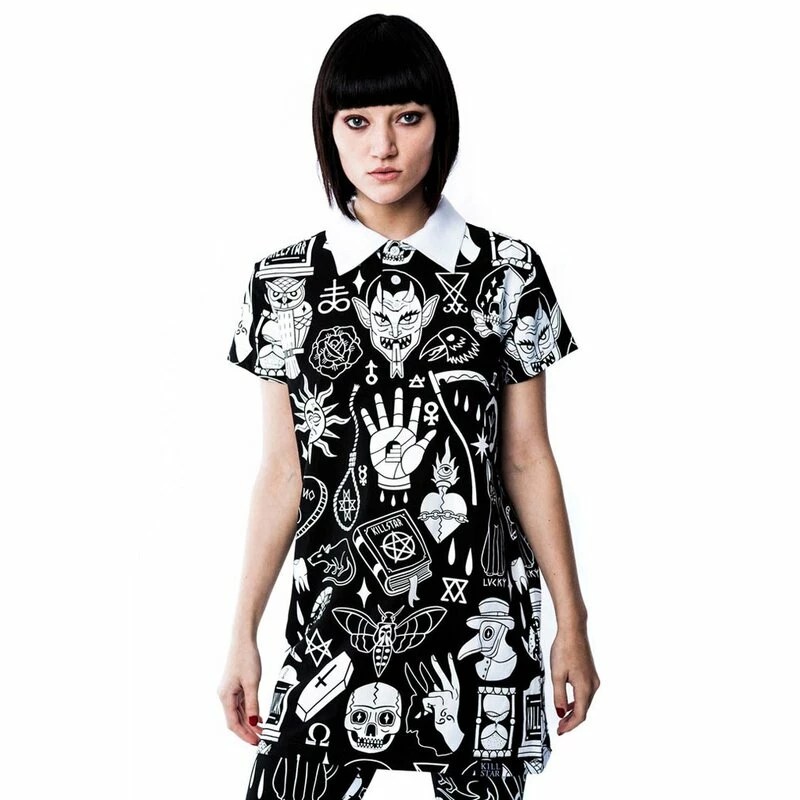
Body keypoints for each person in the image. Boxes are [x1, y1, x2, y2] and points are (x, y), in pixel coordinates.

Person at [218, 13, 600, 800]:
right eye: (357, 121)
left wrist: (573, 620)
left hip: (479, 631)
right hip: (330, 627)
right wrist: (242, 633)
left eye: (408, 117)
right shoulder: (283, 283)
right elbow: (283, 472)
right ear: (328, 132)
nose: (382, 147)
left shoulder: (506, 273)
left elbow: (527, 456)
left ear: (440, 125)